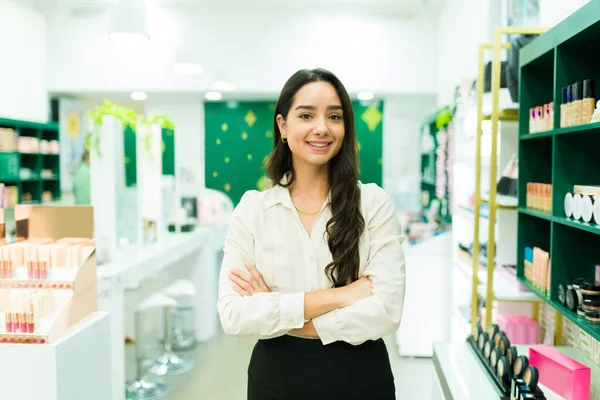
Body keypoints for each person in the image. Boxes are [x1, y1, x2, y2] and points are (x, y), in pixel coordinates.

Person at [217, 68, 406, 400]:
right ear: (283, 126)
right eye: (306, 115)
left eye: (334, 116)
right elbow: (234, 315)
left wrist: (275, 310)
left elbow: (386, 310)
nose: (322, 128)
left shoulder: (373, 203)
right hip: (276, 377)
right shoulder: (253, 210)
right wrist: (342, 295)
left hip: (361, 375)